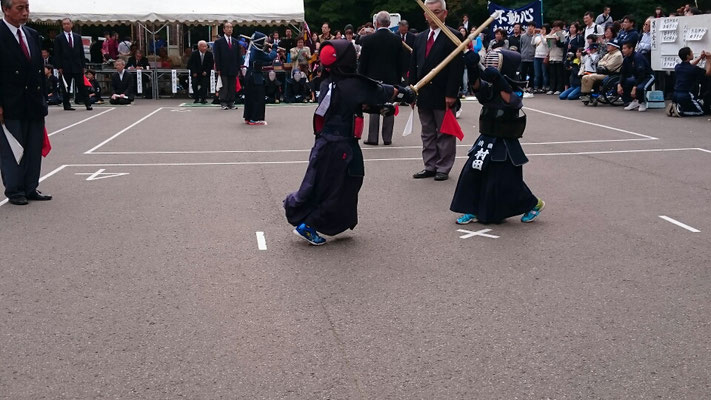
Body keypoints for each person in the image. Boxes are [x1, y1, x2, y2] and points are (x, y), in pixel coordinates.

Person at [284, 40, 416, 245]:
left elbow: (357, 102)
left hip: (327, 142)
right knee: (340, 187)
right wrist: (403, 91)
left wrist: (381, 104)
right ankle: (309, 224)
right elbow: (378, 91)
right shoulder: (351, 84)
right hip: (341, 146)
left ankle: (320, 221)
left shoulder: (330, 81)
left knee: (326, 183)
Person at [451, 50, 544, 225]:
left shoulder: (514, 90)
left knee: (506, 181)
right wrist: (472, 68)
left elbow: (509, 100)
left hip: (505, 143)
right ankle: (472, 208)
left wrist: (499, 79)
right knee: (472, 172)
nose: (492, 64)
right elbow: (478, 87)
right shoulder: (490, 87)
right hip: (486, 138)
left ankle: (534, 204)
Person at [0, 0, 52, 205]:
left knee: (32, 146)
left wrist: (43, 99)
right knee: (12, 150)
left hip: (33, 101)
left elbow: (38, 71)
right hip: (10, 102)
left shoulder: (30, 35)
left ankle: (31, 186)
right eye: (19, 8)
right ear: (6, 9)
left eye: (27, 8)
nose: (25, 13)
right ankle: (15, 190)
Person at [408, 0, 464, 182]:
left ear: (445, 13)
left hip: (443, 92)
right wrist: (412, 90)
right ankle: (430, 165)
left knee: (444, 132)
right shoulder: (420, 38)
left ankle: (443, 167)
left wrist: (451, 94)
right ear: (424, 15)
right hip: (423, 92)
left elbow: (457, 69)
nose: (433, 16)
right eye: (429, 12)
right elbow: (414, 66)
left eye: (437, 12)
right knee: (427, 131)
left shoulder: (453, 36)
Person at [358, 11, 403, 146]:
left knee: (374, 107)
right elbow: (400, 62)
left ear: (376, 23)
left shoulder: (368, 40)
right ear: (389, 24)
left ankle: (373, 137)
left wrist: (361, 78)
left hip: (373, 78)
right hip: (391, 77)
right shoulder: (397, 39)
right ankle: (387, 137)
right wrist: (398, 79)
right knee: (389, 106)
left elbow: (363, 62)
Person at [54, 18, 92, 111]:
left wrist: (83, 65)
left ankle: (88, 104)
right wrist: (59, 67)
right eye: (64, 24)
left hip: (77, 65)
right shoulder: (59, 38)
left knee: (81, 85)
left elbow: (81, 52)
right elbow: (57, 53)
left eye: (68, 23)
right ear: (62, 26)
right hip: (65, 66)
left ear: (71, 25)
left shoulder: (77, 37)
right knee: (66, 86)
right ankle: (66, 105)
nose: (66, 25)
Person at [242, 31, 277, 125]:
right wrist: (274, 48)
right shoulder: (257, 51)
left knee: (250, 97)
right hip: (255, 77)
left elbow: (263, 60)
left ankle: (248, 117)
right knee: (258, 97)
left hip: (250, 75)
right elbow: (270, 57)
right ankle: (255, 118)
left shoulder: (253, 48)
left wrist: (267, 47)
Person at [668, 48, 711, 117]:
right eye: (691, 52)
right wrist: (709, 59)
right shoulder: (693, 69)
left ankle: (678, 106)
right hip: (687, 95)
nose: (693, 53)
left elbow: (690, 66)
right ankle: (680, 111)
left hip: (675, 94)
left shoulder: (678, 67)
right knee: (702, 111)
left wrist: (700, 58)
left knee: (696, 104)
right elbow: (708, 73)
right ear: (688, 56)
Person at [213, 22, 242, 110]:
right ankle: (223, 102)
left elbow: (238, 56)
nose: (229, 29)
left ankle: (231, 102)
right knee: (224, 85)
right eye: (227, 27)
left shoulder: (235, 42)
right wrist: (218, 68)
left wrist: (238, 67)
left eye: (231, 27)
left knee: (232, 85)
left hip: (233, 67)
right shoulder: (219, 42)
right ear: (224, 29)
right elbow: (217, 56)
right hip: (223, 67)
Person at [618, 41, 654, 111]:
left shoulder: (638, 57)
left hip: (648, 77)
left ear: (631, 49)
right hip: (637, 77)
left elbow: (642, 74)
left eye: (625, 48)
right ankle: (633, 101)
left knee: (640, 88)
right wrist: (619, 84)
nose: (623, 50)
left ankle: (642, 102)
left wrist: (634, 87)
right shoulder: (626, 59)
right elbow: (623, 73)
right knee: (622, 83)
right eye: (622, 48)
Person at [519, 22, 536, 91]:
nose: (530, 27)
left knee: (532, 74)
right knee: (523, 73)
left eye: (532, 26)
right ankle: (522, 87)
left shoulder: (536, 36)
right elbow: (521, 46)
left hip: (533, 58)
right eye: (529, 26)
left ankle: (531, 87)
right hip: (524, 57)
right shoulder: (522, 36)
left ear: (534, 28)